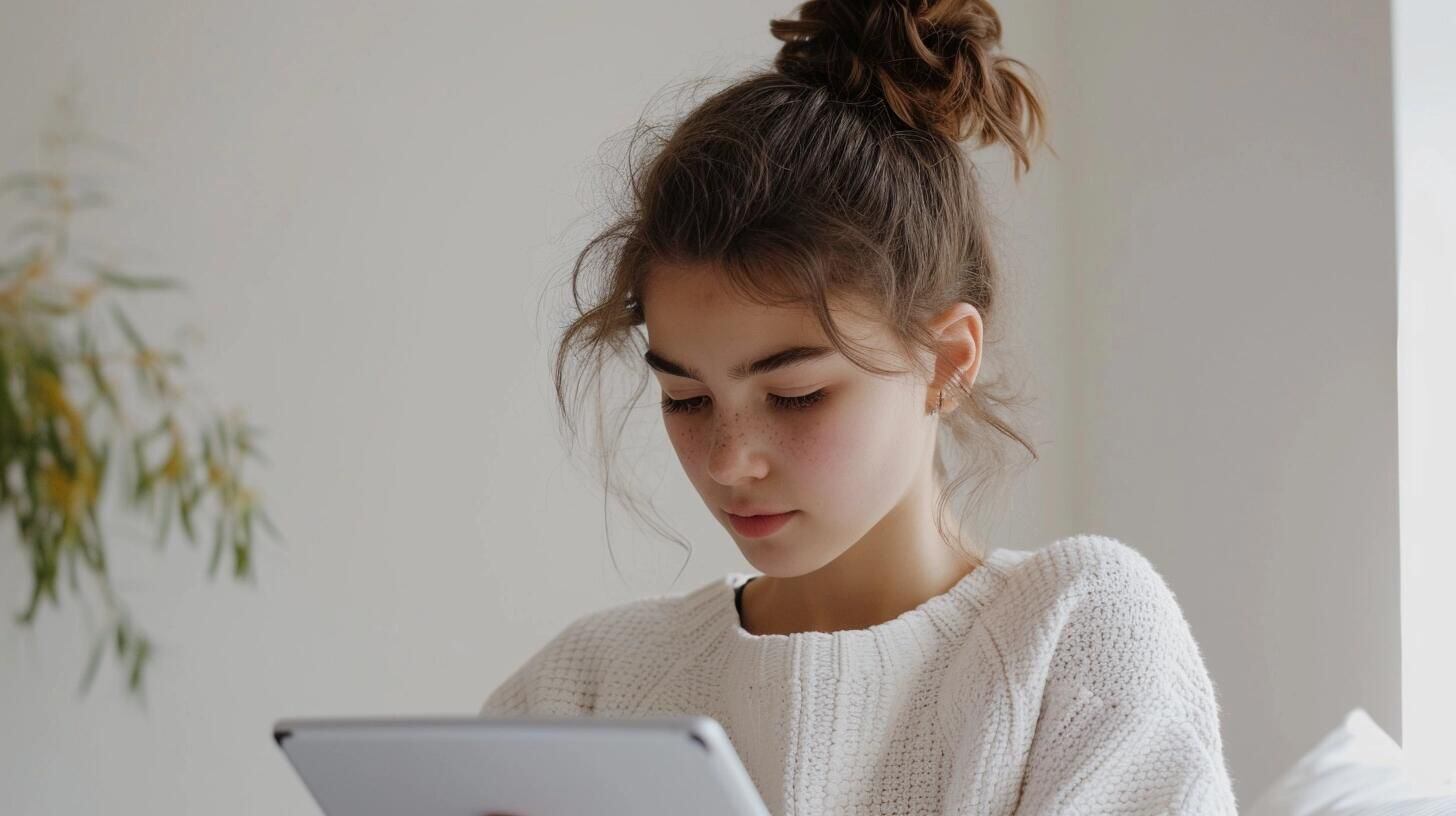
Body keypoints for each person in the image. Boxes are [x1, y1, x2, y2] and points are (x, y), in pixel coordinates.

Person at [480, 1, 1238, 813]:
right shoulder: (595, 683)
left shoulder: (1073, 634)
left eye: (795, 395)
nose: (729, 460)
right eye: (687, 399)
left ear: (947, 361)